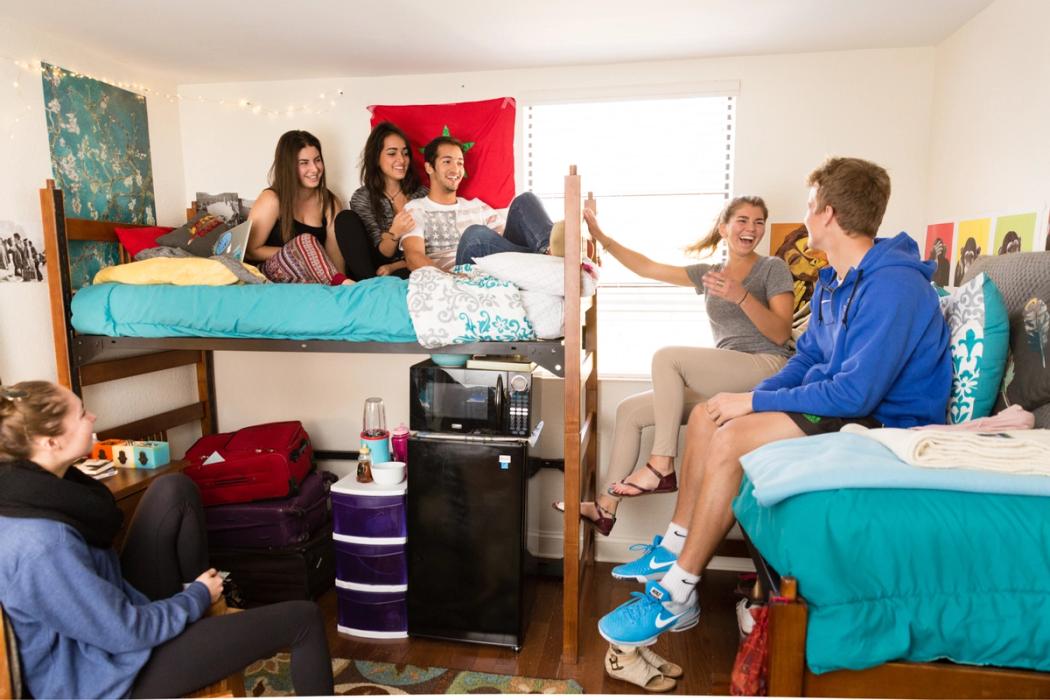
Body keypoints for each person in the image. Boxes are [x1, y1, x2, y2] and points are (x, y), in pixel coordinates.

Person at [597, 157, 952, 647]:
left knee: (734, 435)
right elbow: (804, 359)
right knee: (708, 413)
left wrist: (755, 403)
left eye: (809, 206)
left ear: (827, 213)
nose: (804, 216)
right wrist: (749, 397)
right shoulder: (836, 281)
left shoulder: (893, 286)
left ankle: (678, 591)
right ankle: (675, 546)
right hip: (846, 403)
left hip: (883, 422)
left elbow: (856, 393)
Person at [0, 381, 334, 698]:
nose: (93, 417)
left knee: (173, 488)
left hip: (114, 617)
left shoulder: (37, 489)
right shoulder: (44, 544)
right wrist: (196, 599)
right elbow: (125, 633)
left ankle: (199, 607)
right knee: (303, 619)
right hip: (107, 675)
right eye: (81, 413)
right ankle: (200, 605)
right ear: (50, 441)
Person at [553, 196, 794, 537]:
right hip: (732, 374)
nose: (751, 228)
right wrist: (603, 239)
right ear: (724, 228)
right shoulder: (710, 274)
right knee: (630, 411)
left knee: (668, 358)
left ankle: (661, 464)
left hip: (768, 367)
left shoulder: (772, 268)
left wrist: (741, 296)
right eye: (742, 220)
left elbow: (781, 332)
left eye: (758, 222)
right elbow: (649, 267)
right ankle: (606, 507)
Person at [401, 135, 555, 272]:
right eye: (447, 161)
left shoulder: (477, 206)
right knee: (474, 236)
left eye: (460, 163)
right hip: (459, 271)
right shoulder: (415, 208)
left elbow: (505, 244)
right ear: (429, 167)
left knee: (525, 200)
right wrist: (448, 277)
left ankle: (550, 250)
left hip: (499, 263)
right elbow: (413, 257)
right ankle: (540, 260)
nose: (456, 169)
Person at [245, 129, 353, 285]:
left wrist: (337, 277)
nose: (315, 169)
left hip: (309, 277)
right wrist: (297, 253)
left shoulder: (329, 202)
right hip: (270, 275)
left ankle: (345, 292)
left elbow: (335, 260)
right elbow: (250, 251)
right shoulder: (272, 199)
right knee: (305, 241)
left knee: (334, 277)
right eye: (304, 163)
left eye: (317, 160)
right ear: (289, 167)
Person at [335, 122, 428, 281]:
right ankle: (370, 287)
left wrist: (394, 266)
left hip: (406, 268)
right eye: (392, 153)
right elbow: (381, 255)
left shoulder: (422, 195)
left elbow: (429, 251)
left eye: (405, 153)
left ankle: (377, 287)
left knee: (406, 274)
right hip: (373, 267)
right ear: (376, 158)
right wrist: (395, 232)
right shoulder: (363, 197)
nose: (401, 159)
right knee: (345, 218)